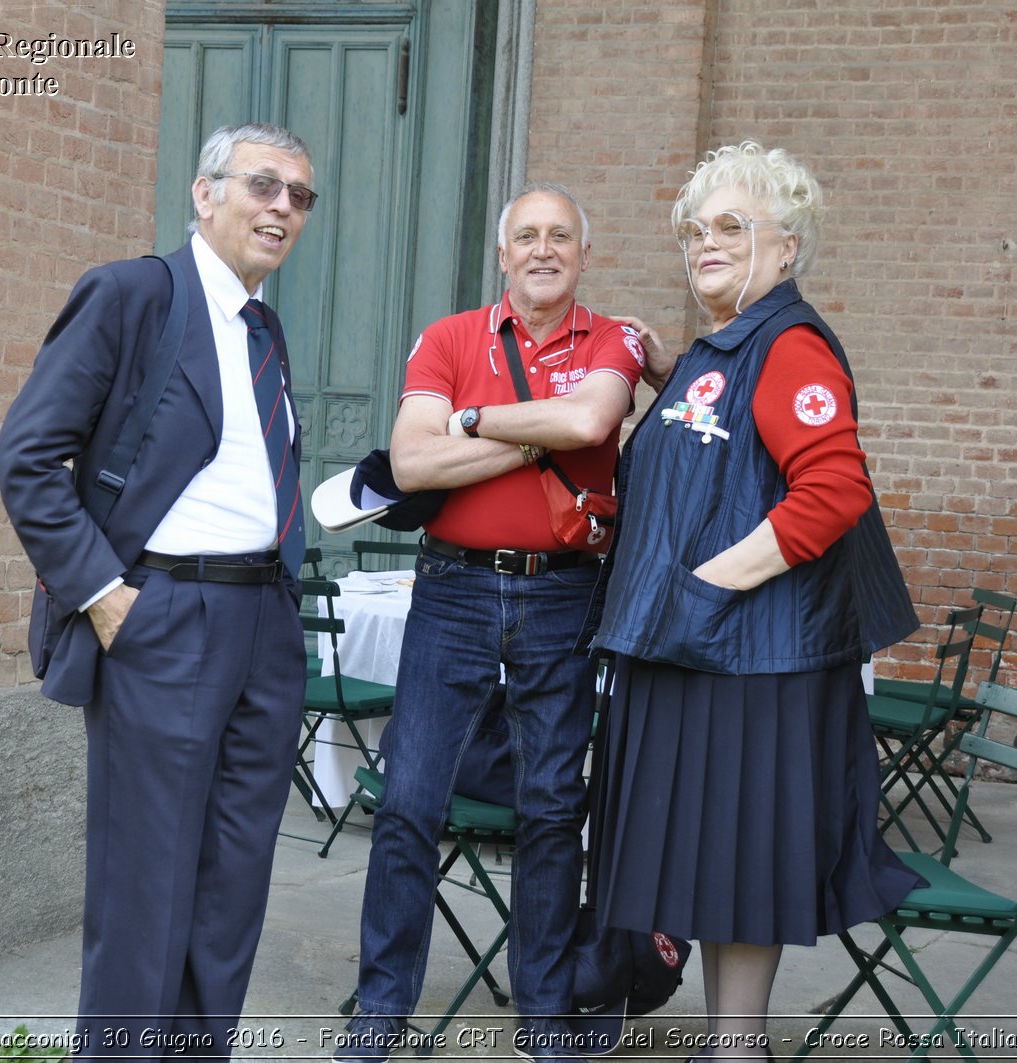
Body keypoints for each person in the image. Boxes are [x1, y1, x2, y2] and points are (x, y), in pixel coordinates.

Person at [588, 141, 925, 1060]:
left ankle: (736, 1046)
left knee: (738, 871)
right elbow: (727, 450)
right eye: (695, 229)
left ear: (787, 248)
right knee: (716, 872)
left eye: (732, 226)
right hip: (712, 658)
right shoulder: (733, 347)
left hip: (750, 665)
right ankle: (729, 1044)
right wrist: (671, 378)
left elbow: (832, 489)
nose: (706, 242)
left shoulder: (790, 344)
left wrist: (706, 585)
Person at [0, 122, 317, 1059]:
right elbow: (27, 455)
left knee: (231, 884)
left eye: (301, 196)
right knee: (149, 885)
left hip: (263, 622)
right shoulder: (136, 294)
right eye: (264, 185)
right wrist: (100, 590)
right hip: (165, 617)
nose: (283, 208)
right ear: (204, 193)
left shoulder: (263, 325)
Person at [334, 182, 646, 1063]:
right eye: (526, 237)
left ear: (583, 255)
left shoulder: (615, 339)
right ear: (502, 254)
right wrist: (539, 434)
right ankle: (382, 1011)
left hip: (564, 594)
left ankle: (544, 1017)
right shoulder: (449, 337)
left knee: (552, 807)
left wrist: (472, 423)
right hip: (453, 589)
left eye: (560, 237)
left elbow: (592, 415)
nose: (542, 250)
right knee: (408, 800)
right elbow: (410, 458)